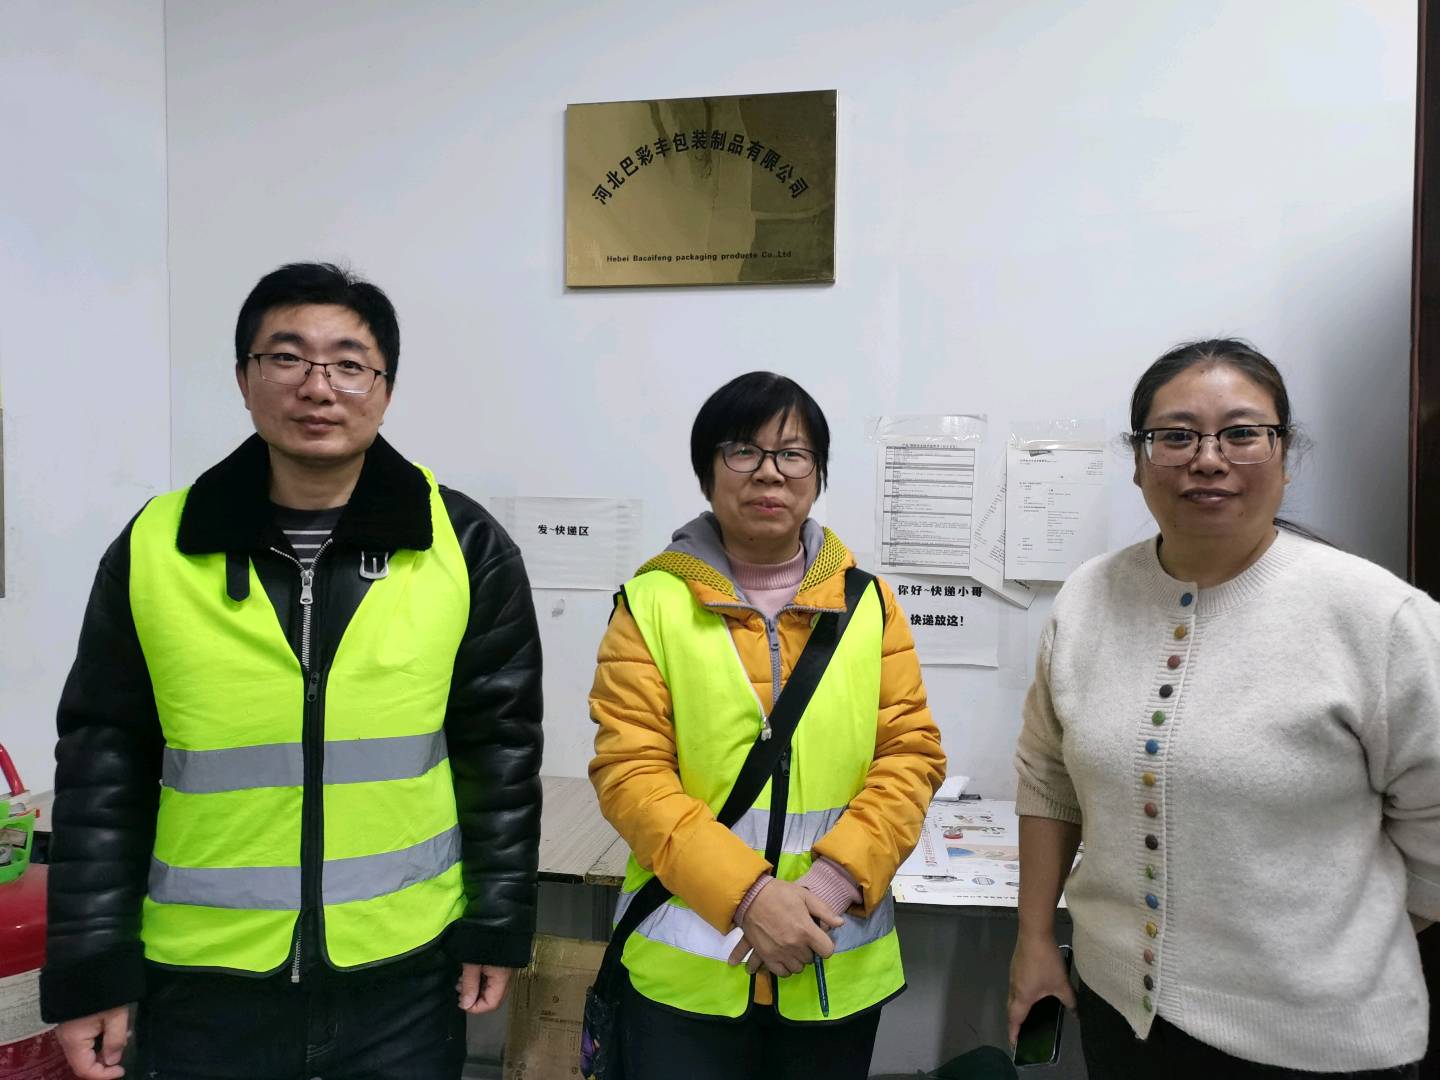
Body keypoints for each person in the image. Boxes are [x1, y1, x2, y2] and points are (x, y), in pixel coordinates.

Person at [40, 262, 545, 1080]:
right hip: (202, 983)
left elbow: (502, 751)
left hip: (402, 977)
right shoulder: (157, 546)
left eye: (349, 363)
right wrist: (92, 968)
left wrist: (498, 923)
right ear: (244, 379)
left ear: (385, 389)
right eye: (286, 357)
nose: (318, 386)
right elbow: (103, 766)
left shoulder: (461, 544)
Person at [1008, 339, 1440, 1078]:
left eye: (1242, 433)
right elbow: (1048, 778)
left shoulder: (1381, 618)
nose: (1208, 460)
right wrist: (1035, 939)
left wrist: (1336, 955)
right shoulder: (1087, 598)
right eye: (1175, 436)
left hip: (1315, 1045)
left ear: (1285, 454)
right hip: (1120, 1013)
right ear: (1139, 461)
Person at [588, 371, 946, 1080]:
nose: (769, 472)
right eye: (743, 451)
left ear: (817, 474)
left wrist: (827, 890)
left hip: (831, 955)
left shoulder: (868, 604)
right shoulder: (651, 603)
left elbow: (911, 755)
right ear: (707, 472)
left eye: (792, 454)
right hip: (690, 968)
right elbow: (631, 774)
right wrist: (750, 897)